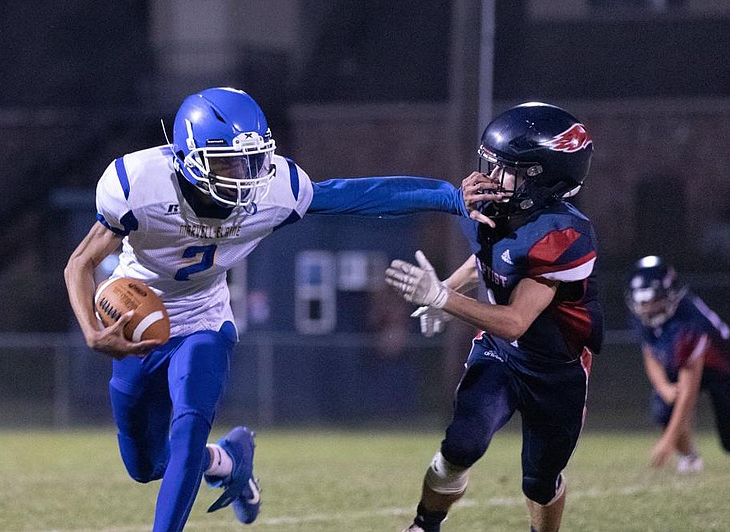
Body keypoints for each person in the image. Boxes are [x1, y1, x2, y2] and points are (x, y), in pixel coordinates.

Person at [63, 86, 466, 531]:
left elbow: (360, 194)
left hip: (204, 318)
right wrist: (91, 330)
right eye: (230, 162)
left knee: (189, 427)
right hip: (138, 321)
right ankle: (228, 460)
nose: (247, 174)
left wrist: (450, 196)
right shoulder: (138, 185)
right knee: (146, 466)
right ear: (189, 158)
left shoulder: (277, 190)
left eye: (253, 159)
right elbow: (80, 263)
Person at [385, 102, 603, 532]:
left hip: (557, 370)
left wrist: (443, 298)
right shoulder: (491, 205)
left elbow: (516, 320)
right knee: (461, 444)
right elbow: (487, 258)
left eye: (509, 169)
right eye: (492, 162)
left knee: (539, 482)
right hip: (502, 355)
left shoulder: (564, 234)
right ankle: (424, 524)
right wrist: (445, 290)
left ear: (544, 178)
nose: (491, 176)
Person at [626, 255, 730, 473]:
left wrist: (668, 441)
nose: (647, 307)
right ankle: (690, 458)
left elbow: (689, 394)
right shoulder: (644, 313)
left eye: (654, 300)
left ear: (669, 293)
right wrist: (664, 387)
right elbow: (650, 351)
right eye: (643, 301)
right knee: (663, 408)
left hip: (723, 368)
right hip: (688, 362)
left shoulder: (688, 323)